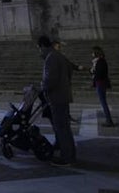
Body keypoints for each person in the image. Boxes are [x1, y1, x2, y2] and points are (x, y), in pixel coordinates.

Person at [39, 34, 75, 167]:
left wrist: (42, 86)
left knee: (61, 127)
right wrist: (65, 83)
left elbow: (50, 80)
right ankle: (67, 152)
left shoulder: (51, 58)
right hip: (63, 95)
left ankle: (67, 157)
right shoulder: (59, 56)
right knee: (64, 127)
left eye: (39, 48)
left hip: (57, 97)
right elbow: (70, 69)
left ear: (42, 46)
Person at [90, 46, 114, 127]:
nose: (92, 54)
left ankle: (109, 120)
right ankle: (108, 119)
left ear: (96, 53)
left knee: (103, 102)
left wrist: (94, 73)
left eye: (93, 52)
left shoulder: (100, 61)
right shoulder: (98, 61)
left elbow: (99, 74)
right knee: (103, 101)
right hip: (100, 83)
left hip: (100, 83)